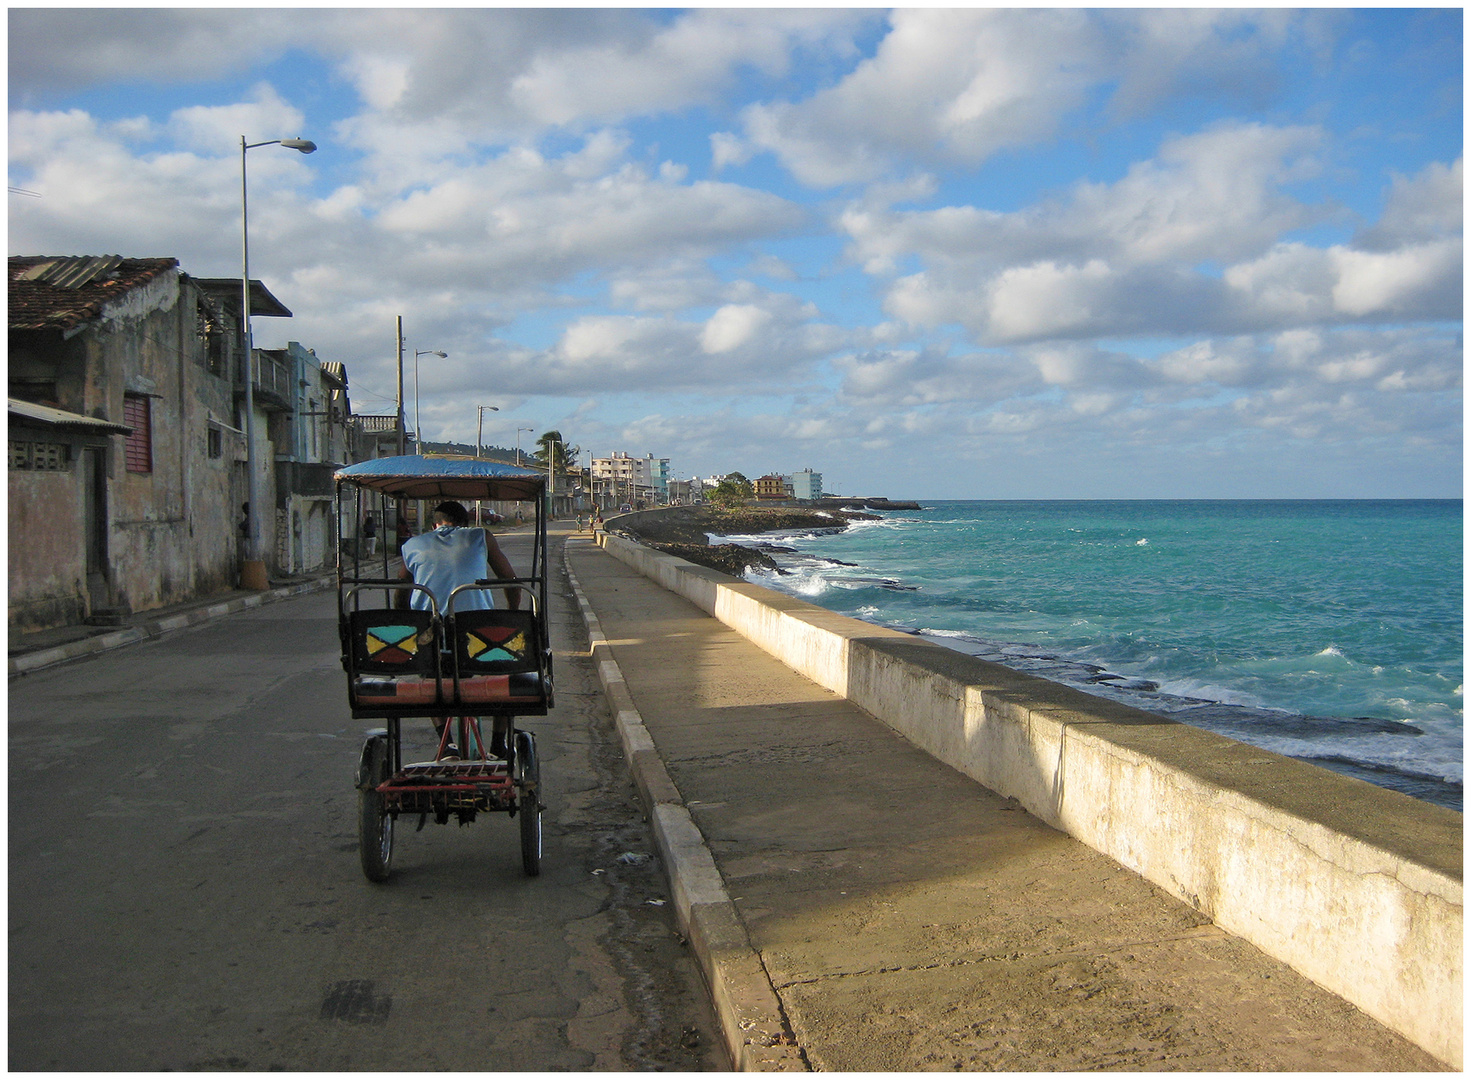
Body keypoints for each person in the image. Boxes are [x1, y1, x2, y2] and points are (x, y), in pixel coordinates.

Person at [396, 501, 521, 759]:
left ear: (434, 526)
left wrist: (404, 619)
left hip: (431, 633)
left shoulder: (412, 545)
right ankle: (499, 743)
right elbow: (510, 580)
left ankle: (448, 743)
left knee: (432, 681)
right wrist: (511, 611)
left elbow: (401, 588)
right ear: (464, 524)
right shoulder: (480, 536)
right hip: (479, 634)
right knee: (503, 675)